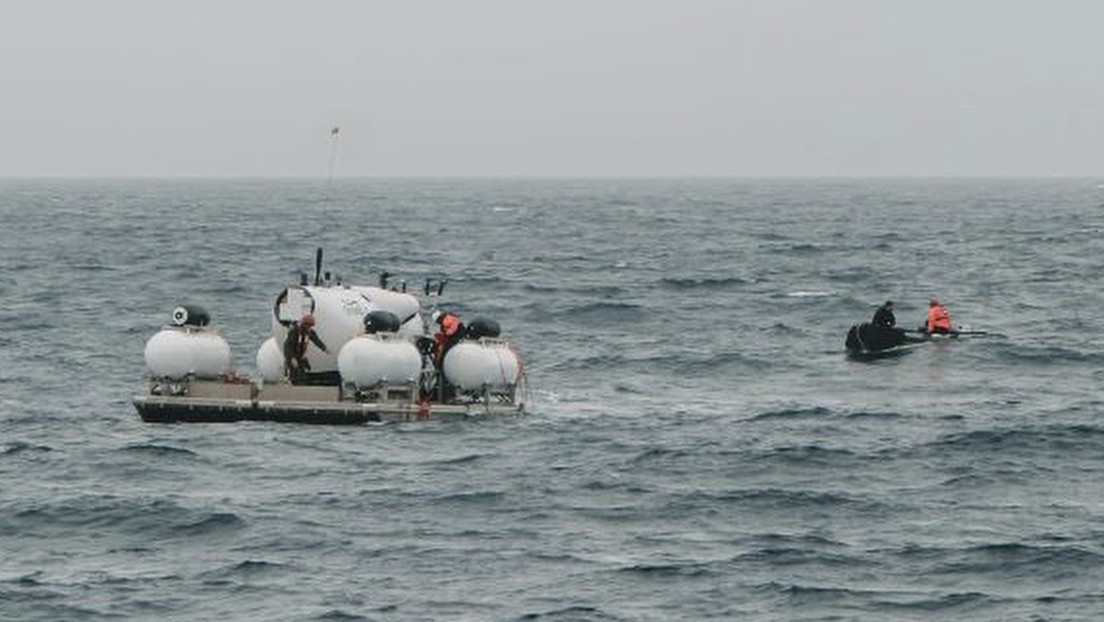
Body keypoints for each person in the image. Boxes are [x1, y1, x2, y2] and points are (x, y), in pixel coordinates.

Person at [283, 313, 328, 382]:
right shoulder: (294, 331)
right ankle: (291, 380)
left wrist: (325, 349)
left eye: (310, 326)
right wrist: (292, 358)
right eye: (308, 326)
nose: (309, 327)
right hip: (292, 354)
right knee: (294, 373)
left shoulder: (309, 332)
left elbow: (316, 340)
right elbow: (288, 346)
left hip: (300, 356)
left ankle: (301, 383)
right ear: (304, 324)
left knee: (303, 374)